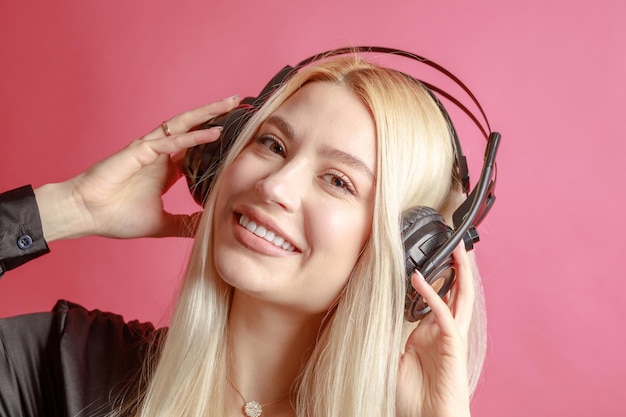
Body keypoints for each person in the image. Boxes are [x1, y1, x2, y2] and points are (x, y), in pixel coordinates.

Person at [0, 54, 487, 417]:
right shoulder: (69, 367)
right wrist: (67, 209)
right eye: (272, 144)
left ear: (411, 257)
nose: (274, 185)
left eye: (338, 180)